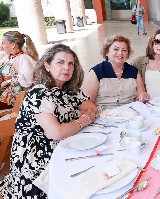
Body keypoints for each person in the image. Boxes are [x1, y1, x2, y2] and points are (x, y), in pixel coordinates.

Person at [0, 44, 98, 198]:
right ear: (47, 65)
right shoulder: (39, 94)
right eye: (60, 62)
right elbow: (56, 132)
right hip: (36, 167)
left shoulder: (68, 90)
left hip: (61, 150)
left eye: (70, 63)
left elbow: (92, 109)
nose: (66, 67)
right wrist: (83, 120)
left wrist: (84, 117)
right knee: (89, 181)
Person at [82, 35, 149, 109]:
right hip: (103, 116)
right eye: (116, 49)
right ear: (107, 52)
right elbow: (86, 102)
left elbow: (140, 98)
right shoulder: (96, 72)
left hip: (129, 114)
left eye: (124, 50)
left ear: (127, 54)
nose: (120, 53)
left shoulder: (134, 71)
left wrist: (143, 97)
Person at [0, 31, 39, 109]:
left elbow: (27, 81)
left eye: (3, 43)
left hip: (14, 99)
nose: (1, 45)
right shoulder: (8, 57)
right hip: (4, 92)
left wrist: (8, 81)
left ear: (13, 45)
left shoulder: (24, 59)